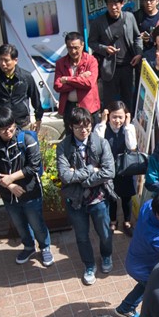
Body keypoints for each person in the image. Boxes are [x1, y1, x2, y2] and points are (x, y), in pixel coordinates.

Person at [57, 107, 116, 286]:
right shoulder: (64, 146)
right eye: (79, 127)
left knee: (104, 233)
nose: (84, 130)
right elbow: (65, 176)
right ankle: (89, 265)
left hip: (99, 198)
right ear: (71, 127)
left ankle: (106, 255)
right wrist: (91, 169)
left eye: (87, 126)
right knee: (82, 236)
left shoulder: (101, 143)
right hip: (75, 200)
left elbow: (109, 171)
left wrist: (83, 180)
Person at [0, 106, 54, 267]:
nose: (7, 132)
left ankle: (45, 247)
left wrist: (11, 177)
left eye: (10, 127)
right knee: (20, 224)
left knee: (37, 223)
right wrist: (10, 185)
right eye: (2, 129)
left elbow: (33, 166)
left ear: (14, 123)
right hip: (8, 194)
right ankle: (28, 247)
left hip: (30, 191)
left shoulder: (26, 139)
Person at [87, 0, 143, 109]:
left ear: (122, 3)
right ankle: (109, 121)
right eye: (110, 4)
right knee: (110, 102)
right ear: (106, 5)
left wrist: (138, 53)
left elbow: (137, 37)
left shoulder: (129, 17)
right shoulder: (98, 22)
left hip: (128, 66)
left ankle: (128, 120)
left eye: (116, 4)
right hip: (109, 68)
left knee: (128, 100)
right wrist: (105, 48)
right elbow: (91, 42)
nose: (113, 7)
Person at [93, 101, 137, 235]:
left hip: (126, 169)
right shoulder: (101, 128)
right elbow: (97, 146)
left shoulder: (129, 128)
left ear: (126, 116)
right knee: (111, 197)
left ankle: (127, 221)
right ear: (108, 116)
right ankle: (113, 221)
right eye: (114, 117)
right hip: (109, 169)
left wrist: (127, 125)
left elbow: (132, 147)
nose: (117, 121)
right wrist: (102, 122)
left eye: (120, 117)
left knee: (126, 197)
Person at [53, 32, 101, 135]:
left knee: (91, 136)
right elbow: (57, 86)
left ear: (82, 45)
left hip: (88, 107)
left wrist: (67, 79)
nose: (73, 51)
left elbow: (89, 83)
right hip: (69, 107)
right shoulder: (60, 63)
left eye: (76, 48)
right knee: (70, 137)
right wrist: (80, 79)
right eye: (70, 48)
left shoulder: (91, 61)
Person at [0, 44, 43, 131]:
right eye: (0, 59)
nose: (3, 63)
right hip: (0, 124)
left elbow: (35, 98)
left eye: (6, 60)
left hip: (21, 122)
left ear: (15, 60)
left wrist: (38, 118)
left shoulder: (26, 77)